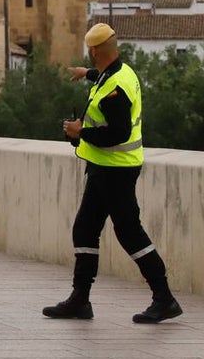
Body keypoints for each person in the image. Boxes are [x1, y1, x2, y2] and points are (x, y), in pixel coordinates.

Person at [45, 23, 183, 323]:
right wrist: (87, 73)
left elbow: (117, 133)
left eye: (90, 54)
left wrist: (80, 133)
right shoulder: (121, 72)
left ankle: (165, 298)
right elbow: (105, 77)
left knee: (130, 233)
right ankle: (80, 299)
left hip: (116, 170)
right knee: (85, 230)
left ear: (94, 50)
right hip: (104, 169)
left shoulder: (115, 90)